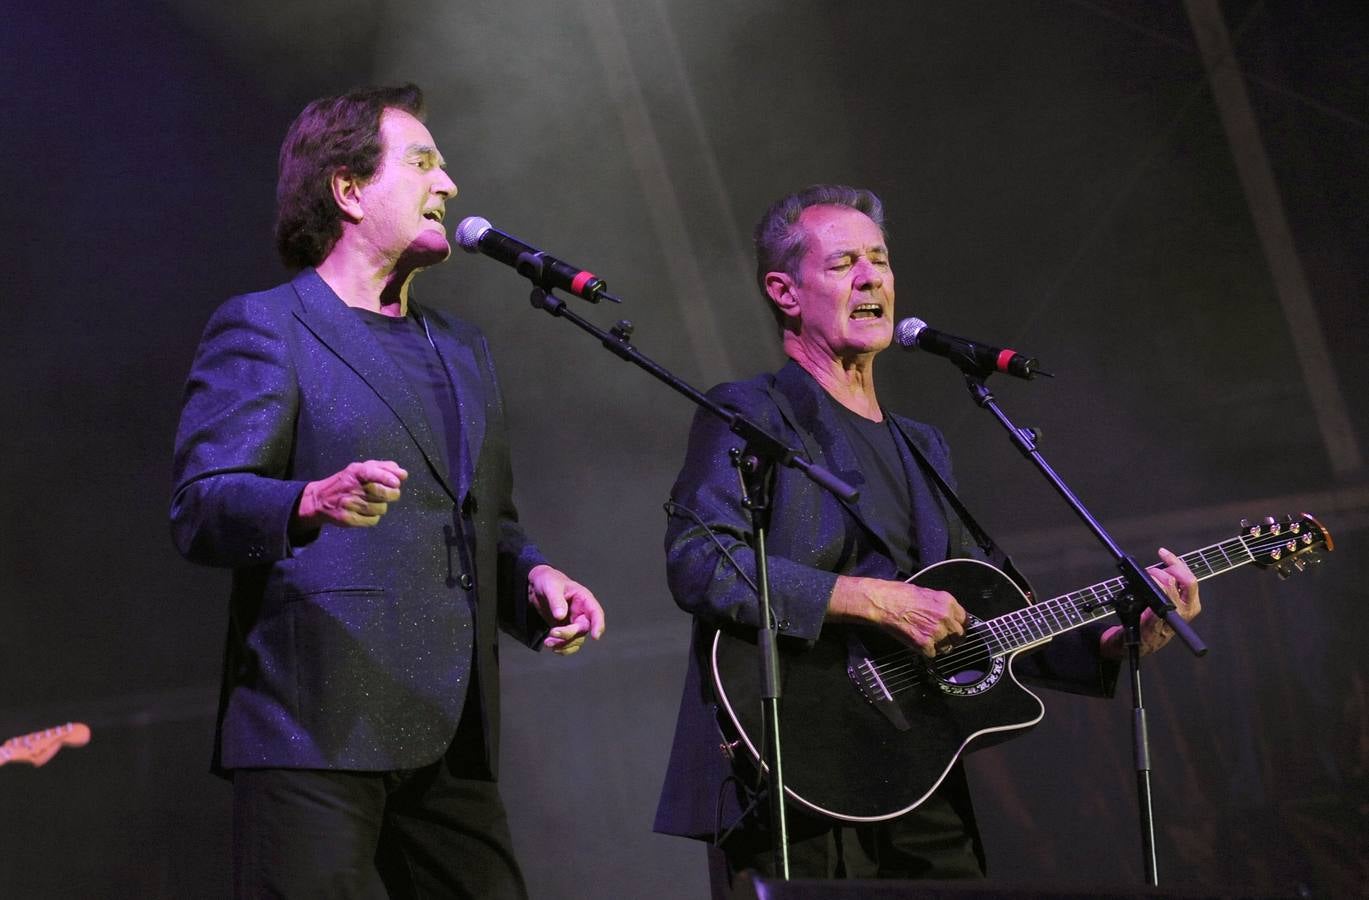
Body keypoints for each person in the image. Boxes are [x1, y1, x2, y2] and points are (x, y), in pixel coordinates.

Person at [652, 184, 1199, 890]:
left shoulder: (922, 447)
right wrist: (869, 600)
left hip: (914, 765)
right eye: (842, 262)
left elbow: (985, 614)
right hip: (791, 763)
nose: (870, 277)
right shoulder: (751, 412)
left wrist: (1117, 638)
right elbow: (699, 562)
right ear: (785, 292)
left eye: (878, 260)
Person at [170, 84, 605, 899]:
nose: (448, 185)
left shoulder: (464, 349)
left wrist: (533, 579)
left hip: (450, 728)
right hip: (312, 722)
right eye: (423, 163)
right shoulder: (267, 327)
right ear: (347, 188)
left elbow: (484, 520)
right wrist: (306, 501)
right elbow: (201, 505)